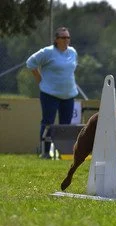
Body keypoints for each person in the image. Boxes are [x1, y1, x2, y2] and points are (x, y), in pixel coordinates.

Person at [26, 27, 78, 158]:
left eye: (68, 37)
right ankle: (45, 152)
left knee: (65, 125)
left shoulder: (73, 52)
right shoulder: (48, 52)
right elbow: (30, 63)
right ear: (56, 39)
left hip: (69, 95)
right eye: (63, 37)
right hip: (49, 94)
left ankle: (64, 153)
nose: (66, 40)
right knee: (48, 123)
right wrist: (39, 79)